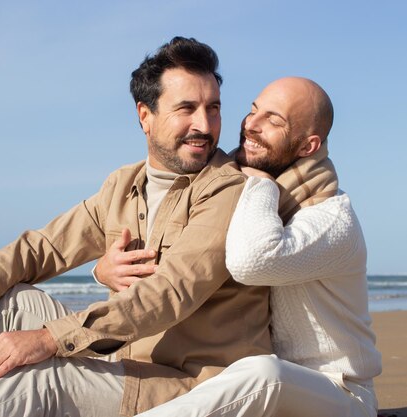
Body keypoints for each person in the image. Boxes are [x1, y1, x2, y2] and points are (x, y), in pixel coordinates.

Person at [0, 37, 275, 417]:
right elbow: (37, 249)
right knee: (16, 303)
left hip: (190, 386)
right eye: (187, 108)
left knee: (44, 378)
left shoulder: (227, 190)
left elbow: (168, 296)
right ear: (145, 115)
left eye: (213, 108)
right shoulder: (123, 186)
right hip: (123, 358)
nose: (205, 124)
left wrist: (49, 339)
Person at [98, 77, 382, 417]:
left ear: (308, 147)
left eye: (274, 121)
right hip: (254, 394)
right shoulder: (243, 192)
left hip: (337, 394)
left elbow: (251, 260)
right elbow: (184, 258)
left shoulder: (330, 218)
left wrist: (260, 183)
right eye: (253, 110)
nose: (251, 125)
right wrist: (103, 272)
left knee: (265, 373)